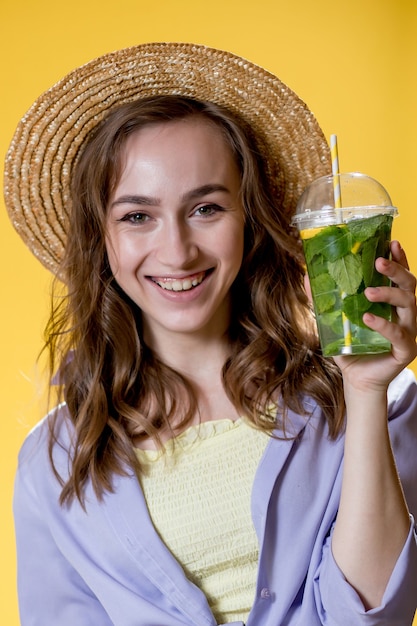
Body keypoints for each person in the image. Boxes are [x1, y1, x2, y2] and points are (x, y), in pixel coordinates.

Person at [4, 42, 417, 626]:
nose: (177, 251)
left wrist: (368, 391)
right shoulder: (54, 464)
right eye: (137, 216)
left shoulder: (369, 403)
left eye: (206, 209)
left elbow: (379, 613)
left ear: (251, 220)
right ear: (103, 240)